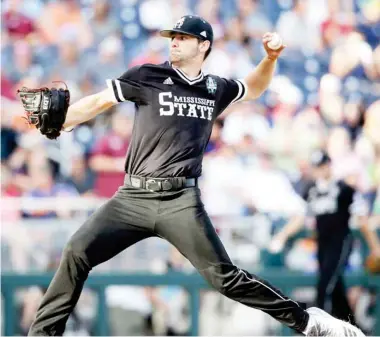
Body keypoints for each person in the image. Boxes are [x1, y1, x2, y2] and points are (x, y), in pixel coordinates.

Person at [28, 15, 365, 336]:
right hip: (133, 198)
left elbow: (254, 88)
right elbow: (100, 102)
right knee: (76, 251)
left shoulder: (213, 88)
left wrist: (271, 59)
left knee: (226, 278)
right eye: (171, 37)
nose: (173, 42)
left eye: (182, 37)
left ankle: (308, 322)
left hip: (180, 201)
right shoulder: (147, 75)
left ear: (203, 45)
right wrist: (65, 119)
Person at [269, 149, 380, 329]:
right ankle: (355, 328)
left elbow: (363, 219)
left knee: (325, 287)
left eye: (323, 166)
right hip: (323, 243)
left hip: (341, 240)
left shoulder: (345, 189)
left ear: (329, 165)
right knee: (335, 288)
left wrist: (375, 247)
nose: (320, 170)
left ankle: (321, 331)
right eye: (317, 167)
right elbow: (300, 217)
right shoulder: (312, 190)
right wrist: (281, 236)